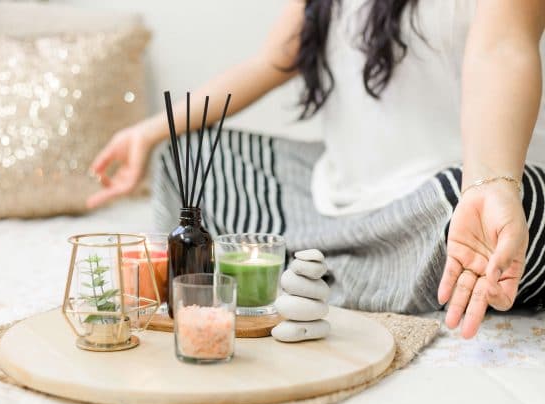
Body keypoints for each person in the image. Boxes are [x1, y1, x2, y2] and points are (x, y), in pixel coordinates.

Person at [88, 0, 545, 338]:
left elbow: (502, 50)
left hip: (443, 203)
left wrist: (494, 184)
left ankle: (315, 269)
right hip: (328, 196)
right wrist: (147, 133)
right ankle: (355, 270)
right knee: (185, 154)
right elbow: (272, 60)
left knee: (529, 207)